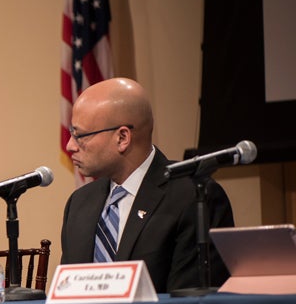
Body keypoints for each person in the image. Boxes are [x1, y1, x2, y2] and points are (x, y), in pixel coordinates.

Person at [60, 77, 234, 293]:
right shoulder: (80, 203)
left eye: (80, 135)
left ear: (122, 137)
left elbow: (187, 303)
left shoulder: (194, 196)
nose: (69, 146)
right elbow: (67, 294)